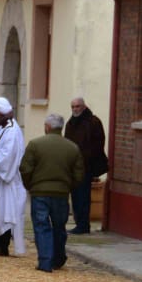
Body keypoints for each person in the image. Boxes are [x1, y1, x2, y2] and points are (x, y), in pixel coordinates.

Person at [21, 113, 85, 273]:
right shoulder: (72, 147)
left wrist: (30, 186)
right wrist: (68, 186)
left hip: (39, 192)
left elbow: (25, 169)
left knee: (42, 226)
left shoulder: (35, 144)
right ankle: (58, 258)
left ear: (47, 127)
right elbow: (79, 174)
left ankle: (45, 261)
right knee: (59, 226)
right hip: (61, 193)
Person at [0, 97, 27, 256]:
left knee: (5, 214)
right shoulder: (1, 127)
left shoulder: (11, 130)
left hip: (6, 180)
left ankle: (2, 245)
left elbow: (6, 157)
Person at [63, 97, 108, 234]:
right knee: (76, 195)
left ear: (84, 106)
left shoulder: (93, 122)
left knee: (83, 196)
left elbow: (98, 144)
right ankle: (79, 223)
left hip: (87, 166)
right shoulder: (71, 123)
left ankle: (83, 225)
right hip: (74, 166)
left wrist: (85, 158)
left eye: (77, 106)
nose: (75, 109)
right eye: (73, 107)